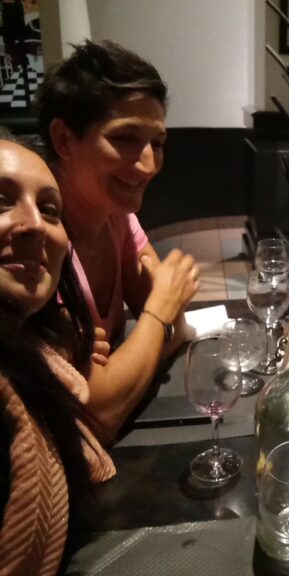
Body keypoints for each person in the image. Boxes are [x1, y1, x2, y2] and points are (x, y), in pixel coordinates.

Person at [36, 40, 199, 442]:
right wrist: (158, 313)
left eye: (157, 143)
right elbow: (98, 417)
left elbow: (178, 327)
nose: (149, 164)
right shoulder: (38, 245)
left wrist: (128, 361)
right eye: (125, 138)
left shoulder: (118, 216)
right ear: (64, 140)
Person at [0, 138, 115, 576]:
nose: (35, 225)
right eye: (1, 201)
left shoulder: (40, 350)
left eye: (49, 209)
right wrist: (162, 316)